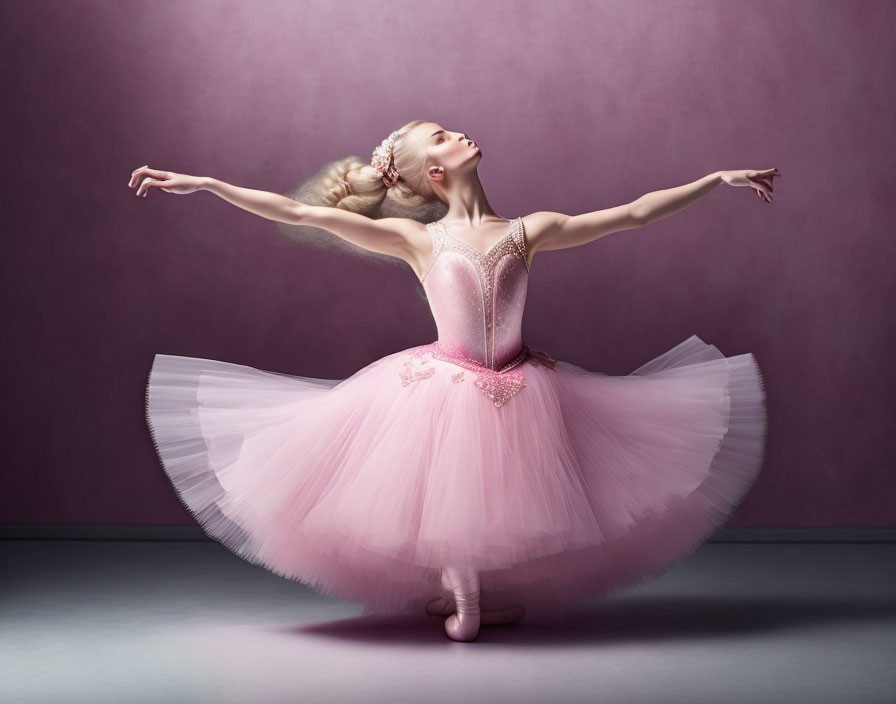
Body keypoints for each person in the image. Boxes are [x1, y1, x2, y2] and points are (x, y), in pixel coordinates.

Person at [132, 120, 777, 642]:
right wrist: (207, 183)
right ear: (435, 174)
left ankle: (467, 600)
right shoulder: (418, 239)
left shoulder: (531, 230)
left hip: (522, 383)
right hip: (443, 385)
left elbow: (632, 214)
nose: (458, 133)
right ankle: (465, 605)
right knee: (450, 478)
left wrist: (715, 179)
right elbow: (303, 216)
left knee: (491, 489)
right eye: (441, 137)